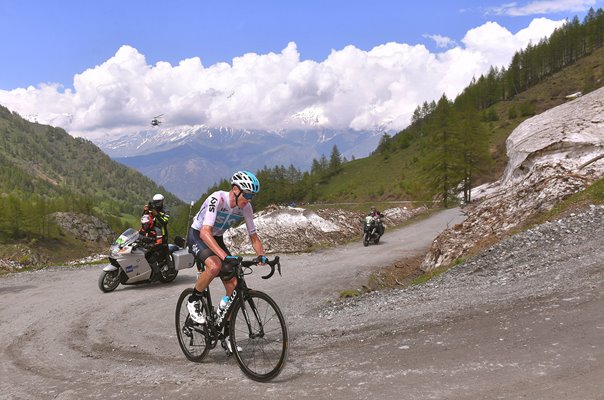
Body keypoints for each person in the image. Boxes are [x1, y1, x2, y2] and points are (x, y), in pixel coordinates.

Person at [186, 170, 268, 354]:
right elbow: (205, 232)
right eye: (247, 194)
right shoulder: (218, 199)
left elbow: (253, 236)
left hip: (216, 237)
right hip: (198, 235)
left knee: (234, 286)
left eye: (252, 195)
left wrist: (261, 255)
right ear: (235, 189)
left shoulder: (246, 208)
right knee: (215, 266)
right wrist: (223, 257)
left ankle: (226, 335)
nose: (249, 199)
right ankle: (193, 300)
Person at [143, 193, 171, 271]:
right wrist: (145, 211)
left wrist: (156, 214)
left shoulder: (166, 211)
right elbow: (145, 219)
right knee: (148, 250)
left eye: (158, 202)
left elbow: (164, 222)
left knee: (165, 251)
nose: (156, 203)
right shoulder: (152, 208)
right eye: (155, 201)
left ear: (162, 202)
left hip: (162, 234)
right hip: (152, 233)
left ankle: (170, 267)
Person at [138, 214, 164, 279]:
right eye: (143, 224)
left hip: (158, 249)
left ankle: (158, 275)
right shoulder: (142, 230)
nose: (144, 226)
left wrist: (151, 245)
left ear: (150, 223)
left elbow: (159, 242)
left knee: (151, 260)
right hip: (147, 248)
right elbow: (137, 236)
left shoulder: (156, 230)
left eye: (146, 224)